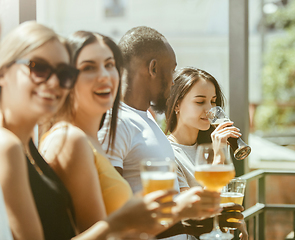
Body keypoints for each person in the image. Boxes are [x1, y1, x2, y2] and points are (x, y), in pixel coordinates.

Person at [0, 21, 178, 240]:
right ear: (3, 72)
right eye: (38, 67)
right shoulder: (10, 145)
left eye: (63, 72)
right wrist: (118, 222)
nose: (54, 81)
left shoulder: (25, 147)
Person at [98, 26, 227, 239]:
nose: (174, 80)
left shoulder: (147, 119)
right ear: (153, 68)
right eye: (172, 70)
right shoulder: (117, 122)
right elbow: (112, 214)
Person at [39, 31, 133, 232]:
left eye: (109, 65)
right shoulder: (71, 139)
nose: (104, 76)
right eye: (88, 68)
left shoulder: (89, 140)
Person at [165, 67, 249, 239]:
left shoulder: (206, 148)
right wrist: (218, 154)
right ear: (177, 105)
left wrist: (237, 221)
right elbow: (195, 213)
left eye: (213, 101)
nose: (210, 110)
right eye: (200, 102)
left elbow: (224, 198)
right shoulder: (168, 152)